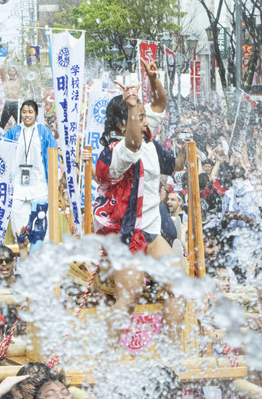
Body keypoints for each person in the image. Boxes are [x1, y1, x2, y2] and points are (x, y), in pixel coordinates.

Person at [93, 60, 185, 346]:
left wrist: (154, 79)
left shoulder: (145, 135)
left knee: (177, 287)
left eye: (142, 115)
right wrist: (132, 104)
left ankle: (170, 354)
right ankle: (105, 360)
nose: (147, 120)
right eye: (138, 115)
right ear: (122, 123)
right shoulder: (115, 151)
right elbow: (131, 144)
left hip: (150, 228)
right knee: (129, 296)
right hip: (123, 233)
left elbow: (160, 105)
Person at [2, 100, 59, 233]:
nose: (27, 115)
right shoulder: (13, 132)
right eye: (24, 112)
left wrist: (54, 178)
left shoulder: (44, 132)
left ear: (36, 114)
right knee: (17, 220)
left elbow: (53, 155)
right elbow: (0, 148)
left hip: (39, 183)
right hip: (17, 184)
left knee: (40, 220)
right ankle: (21, 247)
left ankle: (39, 249)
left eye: (30, 112)